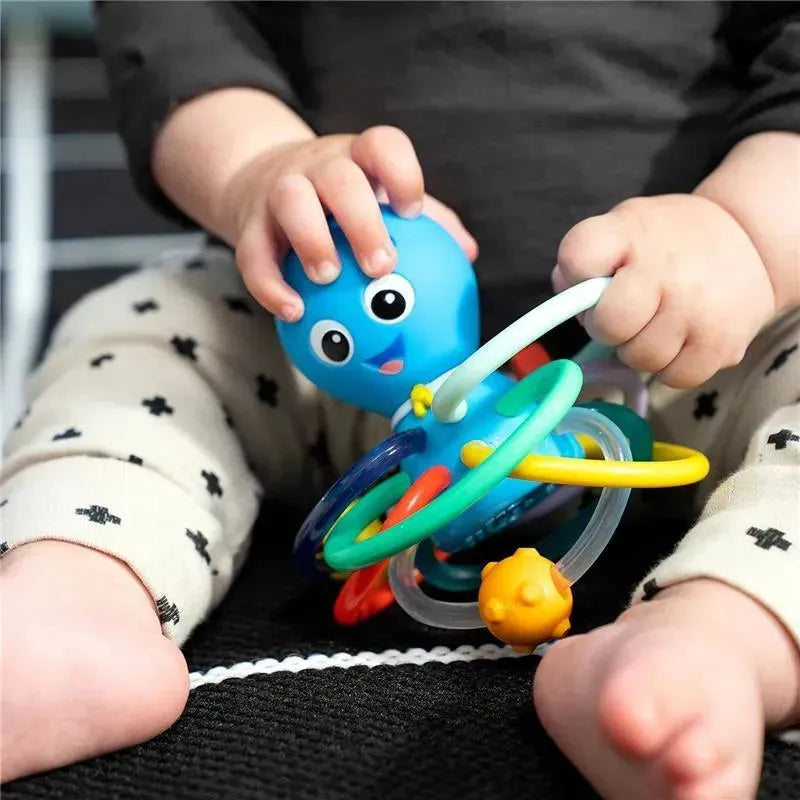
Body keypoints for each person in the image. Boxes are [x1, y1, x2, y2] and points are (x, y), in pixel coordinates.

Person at [2, 3, 799, 797]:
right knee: (146, 336)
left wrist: (744, 234)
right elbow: (184, 28)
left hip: (691, 346)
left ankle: (721, 631)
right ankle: (75, 599)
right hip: (317, 355)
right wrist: (261, 166)